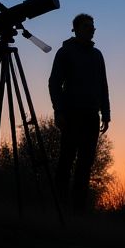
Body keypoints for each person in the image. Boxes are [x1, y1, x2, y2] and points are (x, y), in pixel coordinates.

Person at [48, 12, 110, 212]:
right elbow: (54, 83)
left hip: (92, 116)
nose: (91, 30)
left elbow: (103, 85)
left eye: (92, 27)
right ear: (75, 29)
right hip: (71, 115)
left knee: (86, 164)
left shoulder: (97, 55)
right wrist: (59, 111)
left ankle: (78, 210)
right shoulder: (65, 53)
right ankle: (59, 206)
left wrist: (106, 114)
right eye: (86, 26)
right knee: (66, 160)